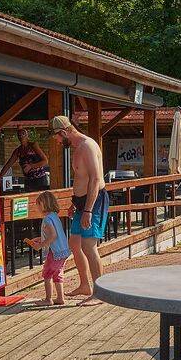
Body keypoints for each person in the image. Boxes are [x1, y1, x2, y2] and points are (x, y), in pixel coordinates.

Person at [51, 115, 107, 304]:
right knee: (74, 243)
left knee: (88, 246)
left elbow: (95, 179)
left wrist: (88, 210)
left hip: (94, 201)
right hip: (81, 203)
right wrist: (75, 203)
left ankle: (100, 293)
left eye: (58, 137)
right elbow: (81, 179)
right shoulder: (77, 148)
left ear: (65, 132)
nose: (58, 142)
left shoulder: (87, 146)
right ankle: (85, 284)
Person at [26, 190, 70, 306]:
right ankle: (60, 298)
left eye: (38, 205)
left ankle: (48, 299)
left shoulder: (47, 219)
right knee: (58, 274)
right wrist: (41, 238)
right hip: (63, 251)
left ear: (44, 205)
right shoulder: (54, 216)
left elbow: (53, 235)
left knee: (47, 273)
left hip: (55, 252)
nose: (37, 208)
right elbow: (54, 234)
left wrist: (41, 245)